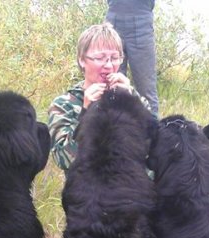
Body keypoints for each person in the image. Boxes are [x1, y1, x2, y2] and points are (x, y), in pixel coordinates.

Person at [48, 23, 151, 170]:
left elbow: (153, 151)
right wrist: (86, 113)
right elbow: (65, 160)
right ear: (82, 60)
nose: (109, 66)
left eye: (115, 57)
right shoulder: (64, 105)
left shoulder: (133, 98)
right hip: (90, 189)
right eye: (100, 58)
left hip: (133, 186)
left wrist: (130, 105)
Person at [105, 0, 159, 117]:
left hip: (141, 20)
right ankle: (112, 130)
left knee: (146, 90)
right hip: (113, 18)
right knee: (111, 86)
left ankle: (153, 132)